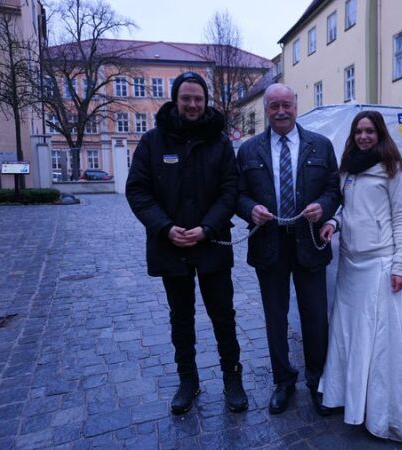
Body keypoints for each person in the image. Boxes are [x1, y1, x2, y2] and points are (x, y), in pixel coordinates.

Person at [126, 71, 248, 415]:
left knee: (223, 315)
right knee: (181, 318)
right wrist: (165, 228)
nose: (193, 104)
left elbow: (230, 190)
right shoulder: (153, 141)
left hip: (211, 244)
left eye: (198, 98)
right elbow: (137, 190)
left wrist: (207, 228)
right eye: (186, 98)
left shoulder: (220, 142)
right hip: (171, 246)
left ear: (205, 101)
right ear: (176, 100)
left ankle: (232, 378)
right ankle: (188, 380)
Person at [317, 111, 402, 442]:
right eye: (359, 131)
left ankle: (382, 410)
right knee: (350, 334)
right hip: (350, 265)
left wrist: (400, 266)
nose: (364, 136)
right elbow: (347, 209)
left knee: (381, 342)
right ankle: (349, 399)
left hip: (380, 265)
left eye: (370, 131)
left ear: (380, 134)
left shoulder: (392, 168)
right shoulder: (348, 169)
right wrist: (334, 223)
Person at [235, 83, 340, 415]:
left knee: (315, 317)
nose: (281, 111)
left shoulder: (320, 146)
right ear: (266, 109)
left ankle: (317, 380)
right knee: (275, 318)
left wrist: (323, 208)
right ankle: (283, 381)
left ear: (296, 106)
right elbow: (236, 194)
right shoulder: (249, 150)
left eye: (286, 105)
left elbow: (334, 189)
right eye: (274, 106)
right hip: (269, 243)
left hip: (309, 240)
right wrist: (250, 209)